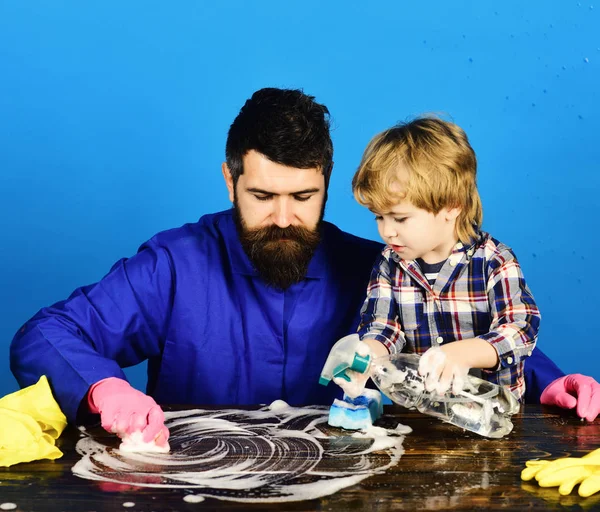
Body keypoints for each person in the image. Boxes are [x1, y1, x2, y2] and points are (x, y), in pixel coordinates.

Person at [9, 89, 599, 449]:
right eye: (263, 196)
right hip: (197, 494)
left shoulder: (378, 266)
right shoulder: (172, 264)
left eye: (304, 196)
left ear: (327, 186)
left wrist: (549, 381)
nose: (285, 218)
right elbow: (46, 333)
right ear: (229, 180)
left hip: (339, 492)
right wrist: (102, 387)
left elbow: (457, 322)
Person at [334, 116, 541, 403]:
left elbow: (520, 329)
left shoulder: (494, 261)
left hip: (490, 418)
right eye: (379, 217)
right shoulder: (389, 264)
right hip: (420, 420)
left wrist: (463, 353)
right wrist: (367, 354)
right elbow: (383, 327)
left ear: (452, 206)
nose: (386, 231)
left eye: (400, 218)